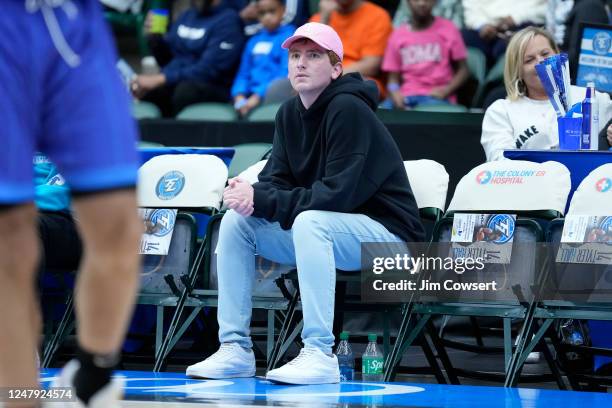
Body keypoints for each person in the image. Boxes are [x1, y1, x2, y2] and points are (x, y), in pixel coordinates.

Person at [185, 22, 425, 385]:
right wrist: (248, 194)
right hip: (330, 236)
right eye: (295, 56)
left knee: (311, 221)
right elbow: (275, 182)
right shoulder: (287, 113)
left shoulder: (349, 109)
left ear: (335, 68)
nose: (300, 63)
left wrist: (263, 197)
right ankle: (234, 348)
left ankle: (319, 352)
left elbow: (337, 196)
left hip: (390, 244)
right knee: (237, 222)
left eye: (313, 56)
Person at [0, 1, 142, 407]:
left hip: (76, 26)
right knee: (10, 244)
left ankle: (91, 375)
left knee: (120, 226)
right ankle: (19, 397)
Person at [480, 26, 612, 161]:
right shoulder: (501, 111)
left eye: (545, 54)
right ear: (517, 70)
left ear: (557, 54)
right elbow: (500, 162)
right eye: (529, 60)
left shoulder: (591, 97)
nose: (540, 61)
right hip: (529, 181)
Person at [132, 0, 245, 117]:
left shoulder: (229, 21)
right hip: (178, 82)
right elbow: (167, 61)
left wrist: (161, 79)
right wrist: (155, 40)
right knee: (149, 93)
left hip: (211, 87)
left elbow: (208, 71)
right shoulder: (188, 15)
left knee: (183, 92)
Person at [382, 0, 469, 109]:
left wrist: (447, 90)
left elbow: (464, 71)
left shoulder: (448, 28)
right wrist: (395, 92)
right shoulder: (397, 35)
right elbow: (392, 79)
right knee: (380, 114)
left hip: (437, 98)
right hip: (406, 97)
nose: (422, 3)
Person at [310, 0, 393, 98]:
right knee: (289, 86)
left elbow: (371, 65)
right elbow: (310, 58)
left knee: (346, 88)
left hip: (358, 79)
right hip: (322, 77)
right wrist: (324, 21)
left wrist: (331, 75)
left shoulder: (378, 16)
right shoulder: (319, 18)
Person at [231, 0, 296, 117]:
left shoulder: (290, 37)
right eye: (262, 13)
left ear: (283, 9)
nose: (267, 17)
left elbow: (284, 72)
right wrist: (239, 96)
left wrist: (257, 96)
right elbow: (243, 73)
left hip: (272, 96)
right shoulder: (253, 41)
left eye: (272, 11)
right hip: (248, 98)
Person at [461, 0, 548, 66]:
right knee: (461, 37)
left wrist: (516, 18)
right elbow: (470, 11)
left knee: (507, 47)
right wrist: (481, 25)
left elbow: (547, 8)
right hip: (487, 29)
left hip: (523, 23)